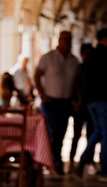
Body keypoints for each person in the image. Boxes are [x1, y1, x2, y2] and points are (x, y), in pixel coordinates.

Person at [75, 28, 107, 183]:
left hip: (91, 101)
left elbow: (84, 78)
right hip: (104, 100)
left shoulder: (91, 56)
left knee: (97, 131)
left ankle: (83, 161)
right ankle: (105, 168)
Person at [34, 31, 81, 175]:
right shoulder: (48, 58)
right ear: (59, 40)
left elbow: (77, 82)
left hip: (66, 102)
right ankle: (53, 161)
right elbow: (37, 75)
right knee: (53, 131)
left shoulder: (74, 60)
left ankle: (57, 159)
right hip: (50, 101)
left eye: (69, 39)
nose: (67, 42)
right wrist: (42, 95)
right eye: (65, 39)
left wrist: (78, 99)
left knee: (62, 131)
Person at [68, 43, 94, 173]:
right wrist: (75, 101)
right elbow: (74, 86)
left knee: (90, 134)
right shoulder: (78, 69)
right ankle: (72, 159)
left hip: (90, 107)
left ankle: (88, 160)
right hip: (80, 107)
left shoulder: (94, 70)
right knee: (76, 134)